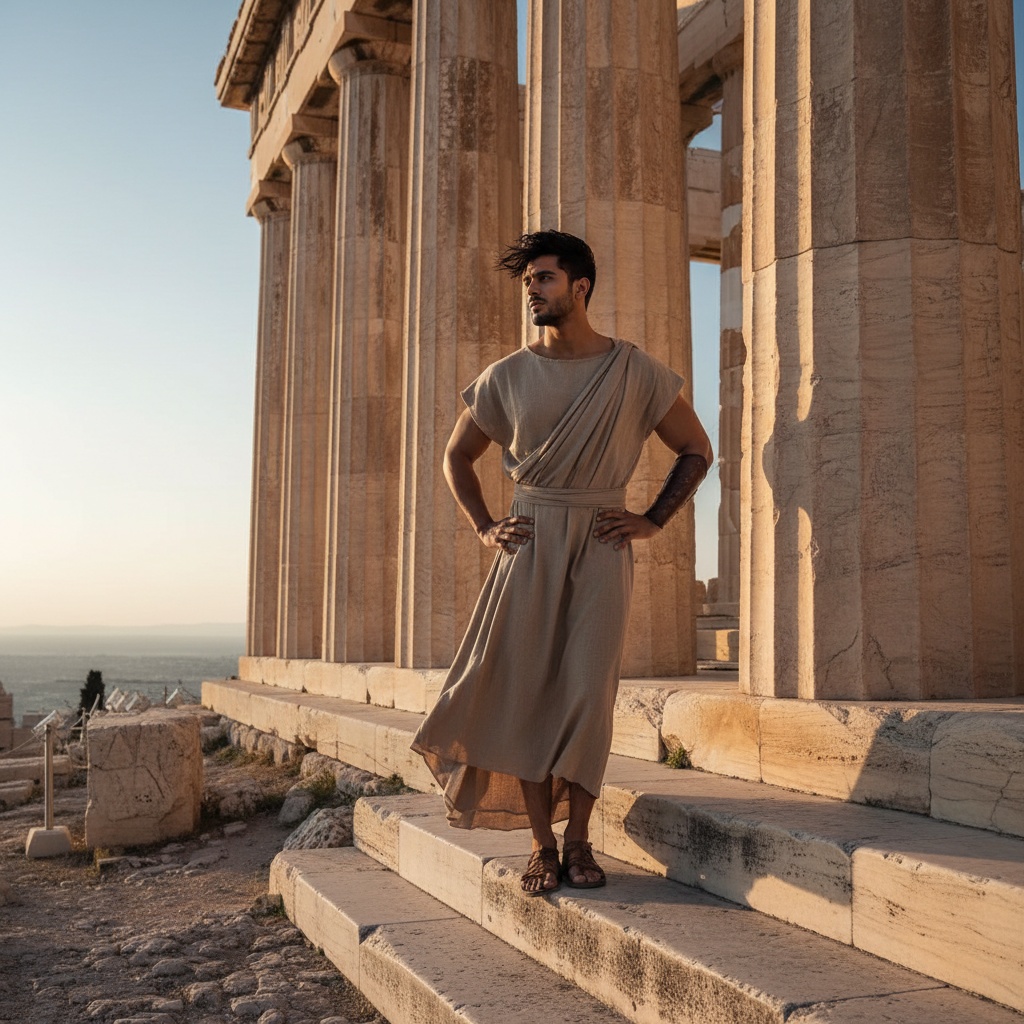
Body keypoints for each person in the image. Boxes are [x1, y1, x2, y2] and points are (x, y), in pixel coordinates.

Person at [411, 230, 713, 896]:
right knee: (526, 695)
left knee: (586, 695)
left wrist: (653, 519)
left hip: (603, 544)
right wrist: (487, 525)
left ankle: (581, 840)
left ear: (580, 287)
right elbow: (457, 457)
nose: (533, 292)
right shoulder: (507, 375)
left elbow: (695, 448)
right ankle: (542, 846)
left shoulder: (635, 372)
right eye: (528, 284)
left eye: (544, 280)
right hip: (529, 544)